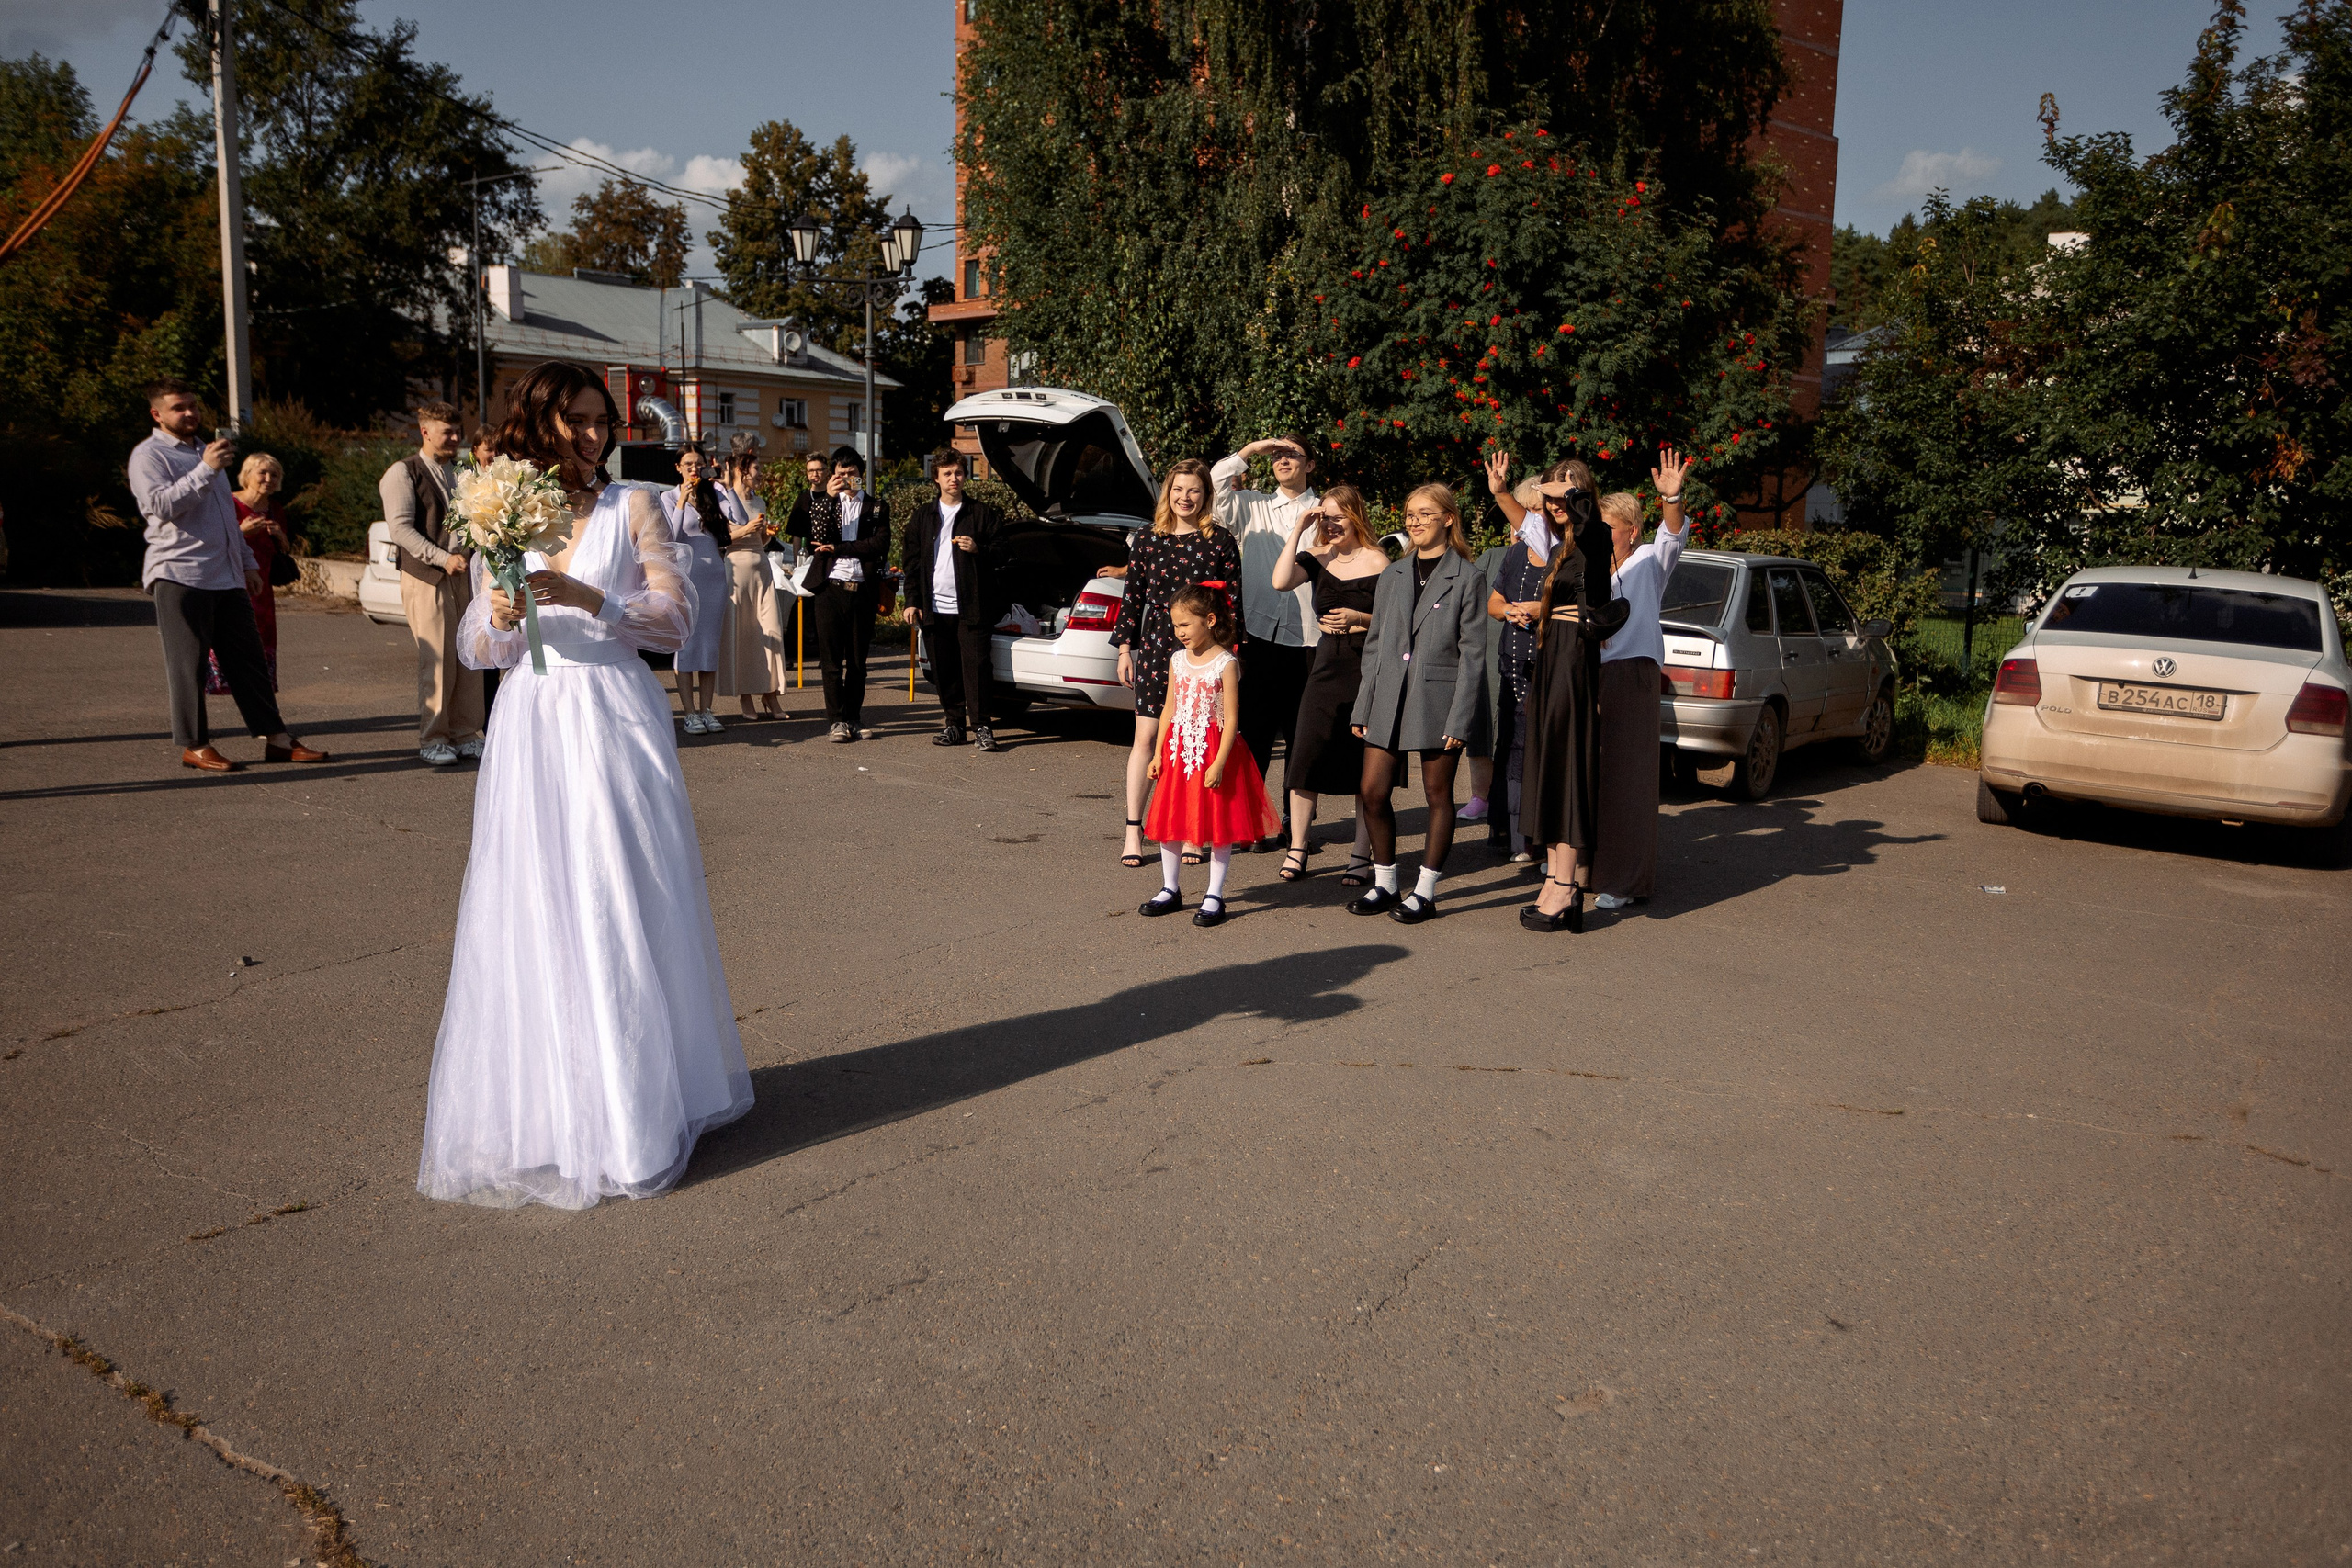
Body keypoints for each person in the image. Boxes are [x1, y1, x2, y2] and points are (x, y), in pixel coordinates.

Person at [417, 359, 752, 1209]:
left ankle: (637, 1111)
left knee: (618, 897)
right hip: (531, 718)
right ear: (541, 421)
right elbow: (475, 647)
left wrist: (587, 596)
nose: (598, 434)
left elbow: (678, 619)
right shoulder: (501, 505)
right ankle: (551, 1110)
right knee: (536, 901)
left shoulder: (631, 502)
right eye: (580, 420)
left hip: (612, 711)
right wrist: (494, 617)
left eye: (605, 420)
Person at [130, 380, 327, 773]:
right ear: (157, 414)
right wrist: (205, 470)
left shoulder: (208, 453)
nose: (189, 413)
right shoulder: (149, 455)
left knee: (248, 662)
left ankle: (277, 739)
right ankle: (196, 745)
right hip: (180, 573)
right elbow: (160, 506)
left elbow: (225, 518)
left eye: (192, 406)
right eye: (178, 408)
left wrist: (248, 565)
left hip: (227, 576)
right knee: (189, 665)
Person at [1348, 483, 1487, 923]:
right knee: (1372, 791)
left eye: (1425, 514)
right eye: (1410, 514)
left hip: (1439, 699)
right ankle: (1386, 882)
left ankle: (1425, 891)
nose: (1415, 522)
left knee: (1437, 794)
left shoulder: (1468, 576)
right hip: (1388, 694)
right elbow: (1374, 646)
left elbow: (1474, 655)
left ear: (1448, 518)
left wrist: (1460, 718)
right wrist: (1363, 705)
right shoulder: (1392, 574)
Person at [1517, 467, 1634, 933]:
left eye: (1566, 489)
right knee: (1548, 766)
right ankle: (1553, 880)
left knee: (1565, 767)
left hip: (1571, 661)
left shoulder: (1596, 536)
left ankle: (1565, 887)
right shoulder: (1561, 545)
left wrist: (1566, 491)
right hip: (1553, 657)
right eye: (1550, 491)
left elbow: (1585, 519)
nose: (1554, 500)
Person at [1111, 459, 1242, 868]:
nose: (1184, 498)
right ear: (1167, 493)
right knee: (1148, 738)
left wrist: (1231, 657)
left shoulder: (1221, 541)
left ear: (1206, 496)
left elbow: (1233, 603)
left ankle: (1192, 832)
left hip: (1206, 654)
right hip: (1156, 649)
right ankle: (1135, 830)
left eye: (1194, 491)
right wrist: (1123, 650)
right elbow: (1132, 598)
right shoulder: (1147, 539)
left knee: (1196, 743)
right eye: (1177, 490)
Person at [1138, 584, 1280, 928]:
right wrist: (1157, 753)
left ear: (1210, 620)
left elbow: (1231, 718)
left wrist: (1218, 763)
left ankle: (1214, 893)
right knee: (1171, 818)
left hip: (1214, 751)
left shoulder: (1225, 662)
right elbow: (1169, 708)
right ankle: (1170, 888)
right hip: (1178, 749)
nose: (1179, 632)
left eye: (1185, 624)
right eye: (1175, 625)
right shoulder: (1177, 660)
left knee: (1218, 823)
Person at [1266, 484, 1384, 886]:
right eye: (1325, 517)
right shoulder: (1316, 557)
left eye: (1338, 516)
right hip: (1324, 666)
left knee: (1361, 763)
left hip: (1367, 669)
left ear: (1356, 516)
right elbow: (1280, 581)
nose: (1331, 525)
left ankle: (1360, 854)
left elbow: (1396, 622)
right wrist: (1299, 526)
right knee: (1304, 756)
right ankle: (1297, 847)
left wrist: (1359, 617)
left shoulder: (1381, 561)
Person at [1591, 451, 1691, 909]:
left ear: (1631, 530)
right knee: (1593, 773)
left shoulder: (1649, 560)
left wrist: (1671, 495)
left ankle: (1626, 881)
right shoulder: (1588, 566)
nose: (1600, 534)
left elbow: (1672, 531)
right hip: (1591, 672)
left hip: (1633, 672)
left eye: (1608, 526)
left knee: (1627, 778)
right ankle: (1586, 866)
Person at [1212, 434, 1321, 851]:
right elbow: (1217, 482)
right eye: (1277, 455)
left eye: (1292, 453)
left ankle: (1296, 828)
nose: (1282, 460)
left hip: (1311, 639)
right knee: (1253, 734)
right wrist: (1251, 449)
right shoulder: (1251, 505)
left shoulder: (1324, 510)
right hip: (1257, 636)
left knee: (1301, 737)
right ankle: (1252, 823)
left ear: (1310, 464)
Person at [1479, 450, 1585, 863]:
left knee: (1540, 750)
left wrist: (1537, 610)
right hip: (1513, 662)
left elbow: (1575, 605)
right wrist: (1508, 609)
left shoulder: (1568, 548)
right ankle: (1509, 833)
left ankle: (1540, 842)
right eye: (1538, 507)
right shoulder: (1518, 551)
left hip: (1552, 662)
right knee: (1511, 746)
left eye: (1548, 507)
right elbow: (1494, 602)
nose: (1539, 516)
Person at [381, 400, 486, 766]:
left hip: (465, 573)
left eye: (458, 432)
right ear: (424, 432)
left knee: (468, 656)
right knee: (438, 659)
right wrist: (443, 559)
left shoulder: (461, 471)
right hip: (427, 576)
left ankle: (465, 732)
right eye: (448, 432)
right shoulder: (402, 472)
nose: (456, 438)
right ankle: (433, 738)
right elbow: (401, 530)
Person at [785, 446, 892, 742]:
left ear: (861, 474)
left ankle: (854, 718)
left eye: (852, 473)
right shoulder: (825, 503)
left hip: (863, 589)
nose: (846, 479)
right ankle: (836, 721)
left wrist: (841, 548)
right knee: (831, 662)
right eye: (841, 474)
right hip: (830, 589)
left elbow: (879, 544)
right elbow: (817, 537)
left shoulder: (877, 506)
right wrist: (829, 498)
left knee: (858, 662)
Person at [900, 449, 1006, 751]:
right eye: (947, 474)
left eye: (958, 472)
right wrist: (912, 601)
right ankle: (954, 726)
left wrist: (979, 549)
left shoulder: (980, 513)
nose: (954, 479)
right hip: (934, 609)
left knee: (977, 669)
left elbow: (1003, 550)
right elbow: (912, 563)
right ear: (936, 478)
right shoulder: (923, 516)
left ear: (965, 475)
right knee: (944, 670)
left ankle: (983, 727)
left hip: (971, 607)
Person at [661, 441, 733, 734]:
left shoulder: (713, 494)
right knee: (687, 645)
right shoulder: (668, 496)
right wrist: (681, 503)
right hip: (687, 578)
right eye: (688, 464)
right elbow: (669, 535)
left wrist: (725, 486)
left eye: (698, 464)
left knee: (709, 646)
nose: (693, 468)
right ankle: (689, 712)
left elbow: (738, 518)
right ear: (678, 467)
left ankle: (707, 710)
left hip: (715, 577)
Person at [204, 452, 290, 697]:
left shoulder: (275, 509)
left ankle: (258, 688)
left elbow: (284, 550)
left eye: (274, 474)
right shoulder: (227, 502)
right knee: (229, 635)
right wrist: (241, 531)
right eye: (262, 472)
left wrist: (281, 538)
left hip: (262, 588)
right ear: (247, 475)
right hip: (228, 583)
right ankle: (223, 682)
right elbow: (211, 542)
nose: (268, 478)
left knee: (261, 638)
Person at [715, 438, 787, 721]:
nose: (760, 473)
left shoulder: (759, 500)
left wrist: (767, 533)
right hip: (736, 569)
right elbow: (722, 538)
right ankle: (746, 696)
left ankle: (770, 694)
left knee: (771, 630)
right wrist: (746, 528)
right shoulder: (725, 500)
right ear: (743, 470)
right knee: (743, 634)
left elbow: (762, 538)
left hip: (762, 568)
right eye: (757, 468)